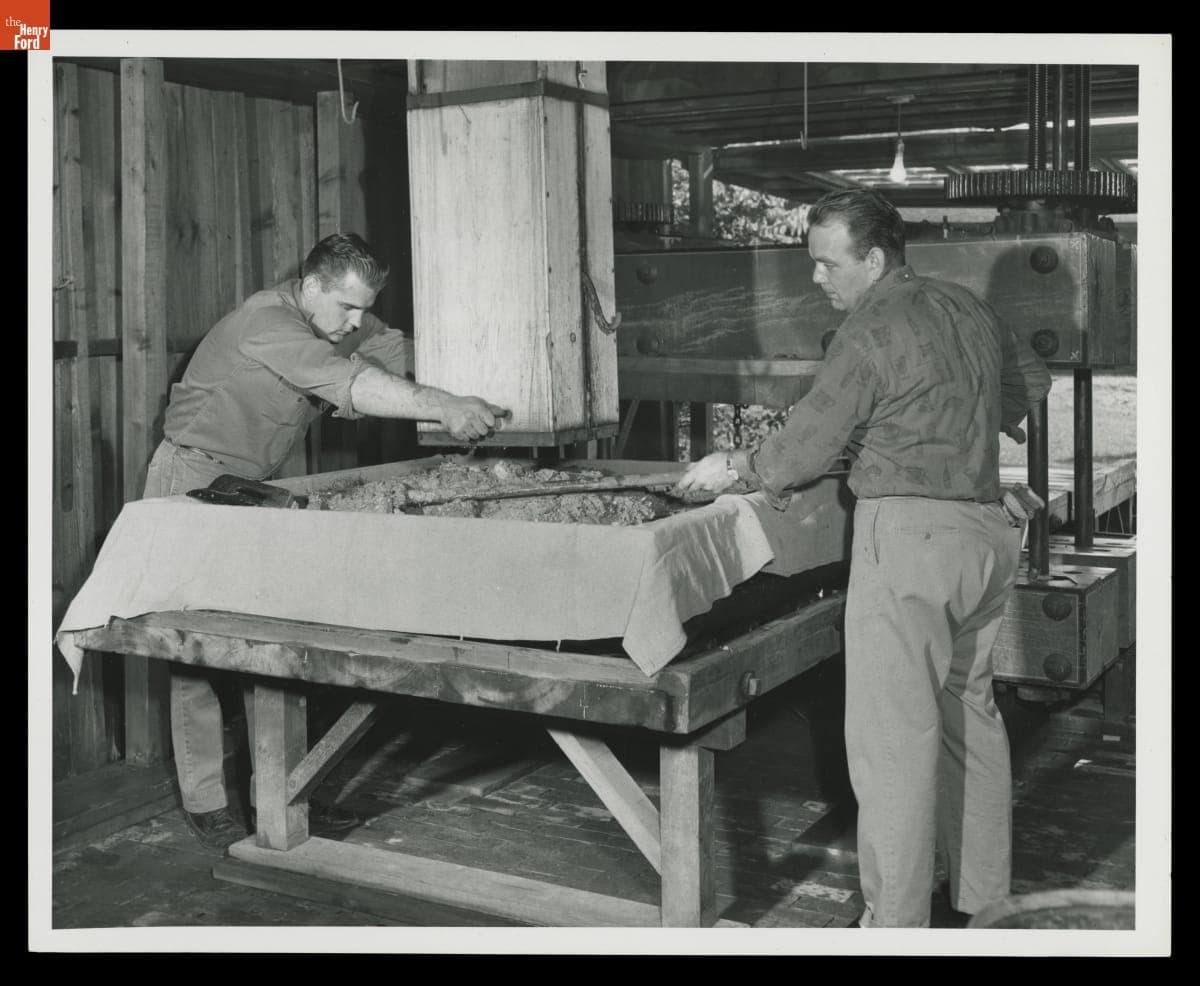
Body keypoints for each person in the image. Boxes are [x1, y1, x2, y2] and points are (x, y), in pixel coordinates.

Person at [677, 189, 1052, 928]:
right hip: (984, 536)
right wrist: (937, 426)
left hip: (910, 544)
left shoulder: (868, 327)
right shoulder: (968, 306)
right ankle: (985, 900)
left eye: (828, 264)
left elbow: (800, 451)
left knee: (893, 743)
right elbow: (1024, 391)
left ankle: (897, 925)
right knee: (969, 716)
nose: (817, 278)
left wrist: (734, 465)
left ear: (874, 259)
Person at [144, 232, 509, 849]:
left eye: (364, 308)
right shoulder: (266, 323)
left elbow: (400, 352)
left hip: (255, 485)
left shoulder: (338, 318)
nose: (356, 322)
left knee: (277, 642)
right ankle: (207, 802)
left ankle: (283, 795)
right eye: (347, 307)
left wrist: (495, 359)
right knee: (192, 649)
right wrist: (444, 406)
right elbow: (354, 384)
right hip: (192, 478)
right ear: (312, 286)